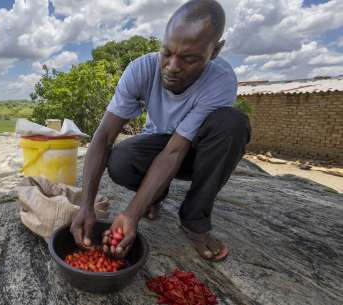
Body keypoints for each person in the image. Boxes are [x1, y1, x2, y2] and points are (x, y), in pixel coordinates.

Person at [70, 0, 251, 262]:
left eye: (189, 58)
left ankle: (194, 219)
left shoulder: (220, 79)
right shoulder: (141, 69)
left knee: (233, 123)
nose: (173, 66)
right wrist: (86, 205)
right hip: (158, 145)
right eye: (167, 52)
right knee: (121, 159)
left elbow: (176, 150)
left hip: (195, 153)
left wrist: (131, 213)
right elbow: (104, 136)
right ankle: (156, 196)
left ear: (215, 51)